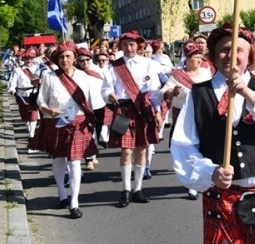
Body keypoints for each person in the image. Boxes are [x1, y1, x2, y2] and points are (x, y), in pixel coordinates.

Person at [171, 24, 255, 243]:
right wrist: (211, 172)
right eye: (225, 49)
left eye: (239, 50)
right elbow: (183, 145)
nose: (231, 55)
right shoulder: (198, 95)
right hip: (221, 198)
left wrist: (248, 94)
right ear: (213, 56)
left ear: (249, 55)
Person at [29, 42, 98, 220]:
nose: (64, 60)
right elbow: (40, 101)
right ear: (56, 59)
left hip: (78, 122)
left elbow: (90, 101)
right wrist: (48, 111)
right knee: (59, 159)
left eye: (68, 56)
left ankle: (74, 203)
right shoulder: (49, 76)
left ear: (74, 58)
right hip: (55, 121)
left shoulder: (83, 76)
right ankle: (62, 193)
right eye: (61, 57)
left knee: (75, 162)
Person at [102, 31, 162, 208]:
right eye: (126, 44)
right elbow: (105, 89)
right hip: (124, 110)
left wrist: (157, 111)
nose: (129, 48)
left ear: (139, 46)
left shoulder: (148, 64)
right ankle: (126, 189)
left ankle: (138, 189)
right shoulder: (114, 66)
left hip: (143, 110)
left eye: (132, 44)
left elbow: (154, 91)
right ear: (121, 46)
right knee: (126, 150)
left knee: (141, 150)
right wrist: (109, 95)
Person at [160, 43, 213, 200]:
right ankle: (192, 186)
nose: (199, 59)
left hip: (204, 116)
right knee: (190, 150)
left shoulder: (206, 72)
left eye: (199, 56)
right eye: (195, 57)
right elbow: (164, 93)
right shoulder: (177, 76)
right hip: (184, 117)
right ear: (187, 59)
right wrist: (172, 92)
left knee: (205, 149)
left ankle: (206, 180)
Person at [76, 47, 106, 170]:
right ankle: (88, 158)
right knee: (87, 131)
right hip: (83, 106)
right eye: (81, 60)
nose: (85, 63)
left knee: (97, 130)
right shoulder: (75, 72)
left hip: (99, 104)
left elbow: (106, 86)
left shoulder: (98, 70)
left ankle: (93, 152)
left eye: (87, 60)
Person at [7, 48, 40, 148]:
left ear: (33, 59)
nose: (28, 60)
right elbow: (13, 80)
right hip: (22, 95)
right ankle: (30, 130)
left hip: (34, 93)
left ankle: (31, 135)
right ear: (23, 59)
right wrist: (12, 89)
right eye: (26, 59)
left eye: (30, 58)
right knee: (25, 116)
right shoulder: (18, 70)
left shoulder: (37, 68)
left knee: (33, 114)